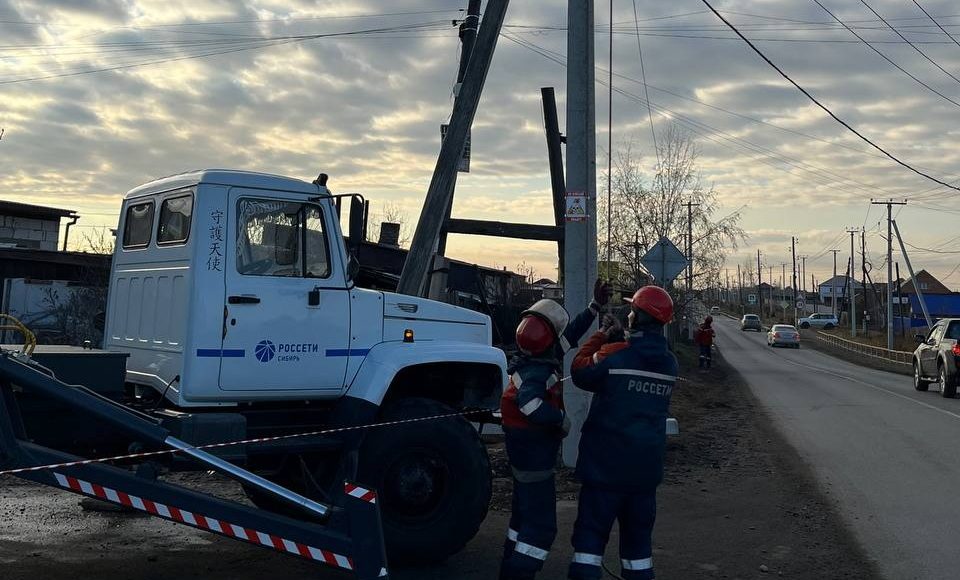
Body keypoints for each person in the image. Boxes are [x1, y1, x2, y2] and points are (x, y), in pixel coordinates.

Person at [499, 279, 613, 580]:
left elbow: (571, 336)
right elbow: (531, 407)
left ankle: (508, 565)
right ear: (547, 338)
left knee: (521, 519)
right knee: (540, 529)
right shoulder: (537, 371)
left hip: (525, 459)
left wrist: (594, 309)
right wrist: (560, 420)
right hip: (533, 457)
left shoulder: (533, 357)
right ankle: (518, 573)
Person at [566, 286, 678, 580]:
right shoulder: (669, 363)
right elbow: (635, 366)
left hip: (605, 470)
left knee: (589, 546)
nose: (628, 314)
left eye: (631, 310)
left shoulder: (614, 355)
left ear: (637, 318)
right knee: (638, 552)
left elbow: (579, 371)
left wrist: (603, 335)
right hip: (644, 473)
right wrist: (618, 340)